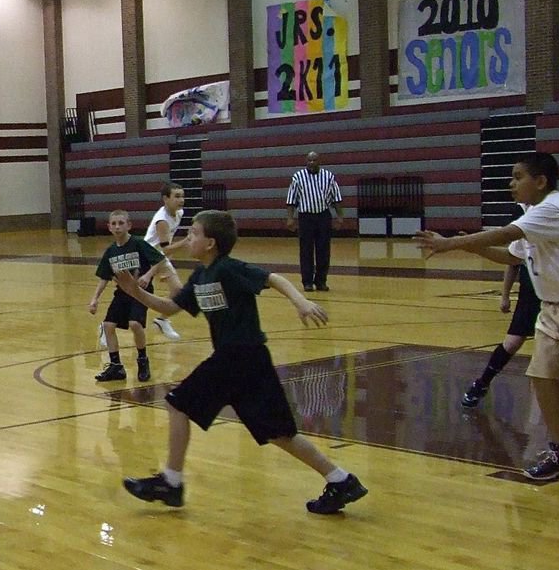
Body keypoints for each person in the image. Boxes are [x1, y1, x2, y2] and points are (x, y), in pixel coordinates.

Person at [415, 152, 559, 480]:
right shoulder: (532, 214)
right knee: (541, 375)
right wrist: (466, 246)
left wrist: (450, 244)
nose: (510, 183)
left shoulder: (552, 208)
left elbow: (503, 235)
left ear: (540, 181)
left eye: (517, 177)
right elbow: (509, 255)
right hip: (553, 307)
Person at [114, 209, 368, 514]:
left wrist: (300, 301)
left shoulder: (228, 269)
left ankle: (171, 482)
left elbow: (272, 278)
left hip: (240, 356)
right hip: (246, 363)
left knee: (178, 403)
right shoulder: (201, 276)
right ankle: (341, 480)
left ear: (210, 243)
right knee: (278, 433)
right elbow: (169, 307)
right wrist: (135, 292)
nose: (188, 238)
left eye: (193, 233)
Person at [463, 204, 559, 418]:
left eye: (519, 178)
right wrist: (505, 295)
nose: (514, 185)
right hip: (531, 293)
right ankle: (481, 383)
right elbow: (512, 260)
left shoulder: (552, 213)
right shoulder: (520, 216)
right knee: (512, 342)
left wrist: (461, 243)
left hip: (558, 293)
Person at [89, 209, 176, 383]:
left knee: (135, 324)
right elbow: (104, 277)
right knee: (108, 325)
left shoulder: (138, 244)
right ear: (109, 227)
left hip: (140, 292)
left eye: (121, 223)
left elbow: (160, 260)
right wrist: (95, 298)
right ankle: (116, 367)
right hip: (122, 292)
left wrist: (148, 275)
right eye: (114, 224)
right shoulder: (111, 251)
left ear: (129, 225)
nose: (117, 226)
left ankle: (143, 361)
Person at [286, 150, 343, 292]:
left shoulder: (328, 177)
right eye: (309, 160)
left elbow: (336, 199)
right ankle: (307, 282)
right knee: (306, 251)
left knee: (324, 250)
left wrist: (339, 217)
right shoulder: (298, 177)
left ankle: (321, 281)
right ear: (306, 161)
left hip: (323, 216)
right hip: (306, 218)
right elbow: (291, 199)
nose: (311, 163)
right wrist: (290, 218)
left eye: (314, 160)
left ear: (319, 161)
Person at [142, 182, 188, 341]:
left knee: (178, 291)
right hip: (146, 256)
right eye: (176, 196)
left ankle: (162, 319)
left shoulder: (180, 212)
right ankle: (107, 325)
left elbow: (165, 250)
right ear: (165, 199)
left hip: (159, 257)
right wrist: (186, 241)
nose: (181, 200)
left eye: (182, 196)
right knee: (132, 296)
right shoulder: (162, 220)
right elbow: (166, 249)